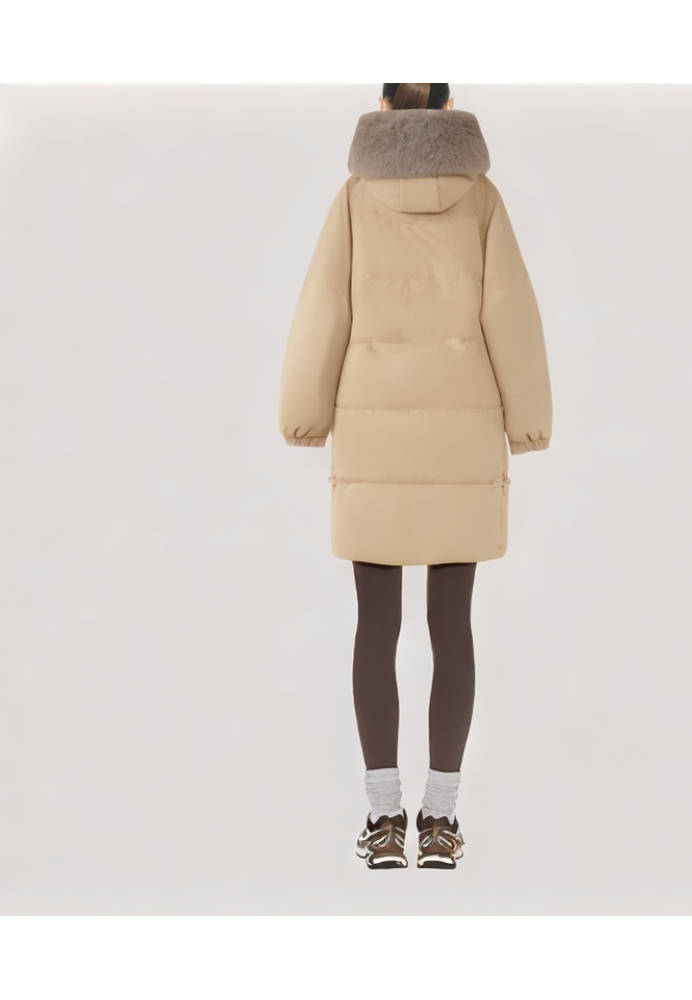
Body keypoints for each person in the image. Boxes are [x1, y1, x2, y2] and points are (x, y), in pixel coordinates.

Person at [278, 83, 552, 869]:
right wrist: (527, 422)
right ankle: (440, 821)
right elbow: (510, 313)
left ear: (383, 110)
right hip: (461, 439)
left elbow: (323, 310)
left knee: (375, 625)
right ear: (448, 106)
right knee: (450, 625)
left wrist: (304, 415)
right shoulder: (481, 200)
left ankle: (381, 822)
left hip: (373, 438)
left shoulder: (355, 199)